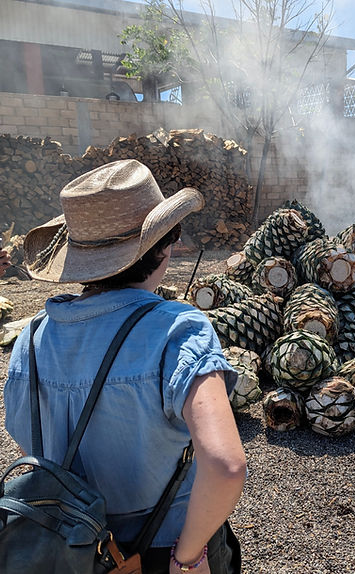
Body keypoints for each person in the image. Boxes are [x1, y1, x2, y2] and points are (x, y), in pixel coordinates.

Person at [4, 159, 247, 573]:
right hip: (160, 548)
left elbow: (29, 442)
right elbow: (226, 467)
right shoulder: (178, 330)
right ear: (165, 244)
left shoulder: (29, 339)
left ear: (77, 257)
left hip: (66, 552)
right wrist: (187, 560)